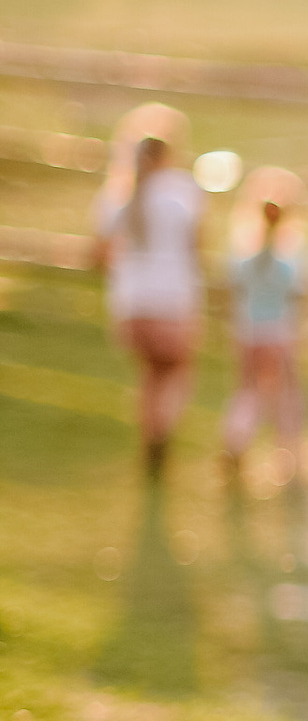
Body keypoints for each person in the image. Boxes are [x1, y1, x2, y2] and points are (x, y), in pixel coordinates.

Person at [89, 105, 204, 476]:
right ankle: (162, 430)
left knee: (150, 374)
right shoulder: (183, 192)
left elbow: (99, 253)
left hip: (132, 302)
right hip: (172, 299)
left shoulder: (117, 195)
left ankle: (150, 434)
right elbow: (197, 246)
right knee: (177, 373)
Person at [221, 170, 308, 484]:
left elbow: (232, 285)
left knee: (247, 390)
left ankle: (236, 438)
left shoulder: (242, 245)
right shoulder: (294, 249)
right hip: (280, 331)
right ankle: (290, 456)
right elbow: (302, 290)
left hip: (248, 329)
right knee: (286, 394)